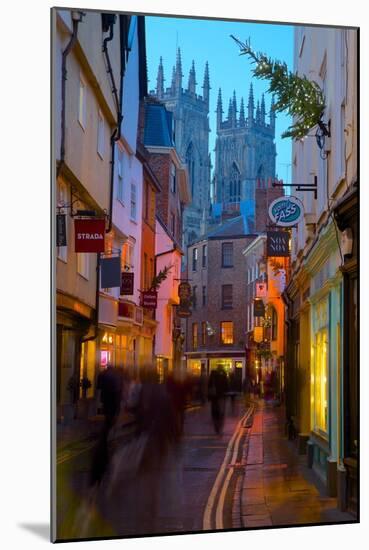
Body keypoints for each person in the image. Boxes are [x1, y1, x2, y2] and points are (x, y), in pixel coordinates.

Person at [208, 365, 229, 434]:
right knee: (221, 412)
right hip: (221, 396)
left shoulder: (212, 376)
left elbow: (209, 386)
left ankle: (216, 426)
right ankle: (219, 426)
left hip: (214, 397)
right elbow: (227, 386)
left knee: (214, 412)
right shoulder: (223, 375)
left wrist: (209, 397)